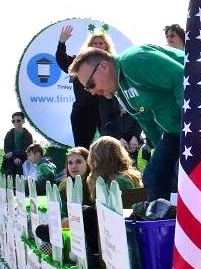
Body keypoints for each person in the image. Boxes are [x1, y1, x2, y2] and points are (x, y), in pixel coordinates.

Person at [67, 44, 184, 201]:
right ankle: (163, 214)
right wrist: (162, 152)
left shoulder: (133, 60)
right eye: (88, 89)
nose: (92, 92)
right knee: (154, 177)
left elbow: (182, 78)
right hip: (175, 132)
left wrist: (191, 128)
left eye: (90, 84)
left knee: (180, 173)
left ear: (104, 67)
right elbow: (148, 123)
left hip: (200, 120)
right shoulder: (120, 92)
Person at [56, 24, 115, 147]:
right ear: (89, 45)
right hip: (83, 111)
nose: (98, 45)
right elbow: (62, 60)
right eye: (95, 43)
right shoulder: (80, 61)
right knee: (82, 148)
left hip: (106, 110)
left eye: (101, 43)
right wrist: (61, 42)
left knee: (108, 147)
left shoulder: (113, 63)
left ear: (106, 46)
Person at [2, 111, 33, 176]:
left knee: (21, 173)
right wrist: (14, 158)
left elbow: (27, 150)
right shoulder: (9, 134)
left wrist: (13, 153)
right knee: (9, 174)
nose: (15, 122)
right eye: (13, 121)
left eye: (18, 120)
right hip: (11, 159)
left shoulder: (28, 135)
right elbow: (6, 149)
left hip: (24, 159)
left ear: (23, 121)